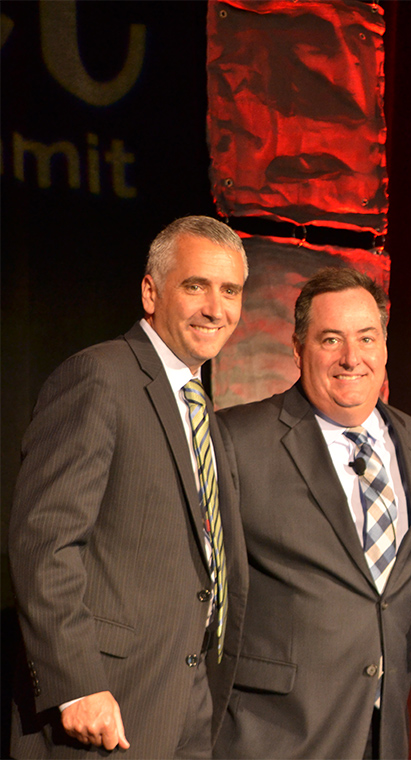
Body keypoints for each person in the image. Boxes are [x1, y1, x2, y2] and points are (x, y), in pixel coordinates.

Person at [8, 216, 249, 758]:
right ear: (150, 291)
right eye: (196, 286)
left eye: (230, 290)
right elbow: (43, 540)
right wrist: (78, 684)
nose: (216, 308)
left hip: (184, 700)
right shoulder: (99, 376)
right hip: (105, 706)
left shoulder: (201, 406)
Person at [212, 267, 411, 760]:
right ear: (297, 351)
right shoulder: (237, 440)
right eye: (330, 339)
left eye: (366, 338)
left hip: (383, 730)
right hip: (275, 733)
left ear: (384, 346)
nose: (351, 358)